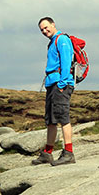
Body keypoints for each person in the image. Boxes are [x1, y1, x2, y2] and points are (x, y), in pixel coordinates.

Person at [32, 17, 76, 166]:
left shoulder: (62, 40)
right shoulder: (52, 42)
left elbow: (66, 62)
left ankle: (69, 153)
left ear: (53, 24)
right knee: (50, 120)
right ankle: (48, 153)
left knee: (63, 117)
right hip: (52, 84)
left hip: (60, 84)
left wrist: (63, 83)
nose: (45, 31)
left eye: (46, 27)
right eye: (42, 30)